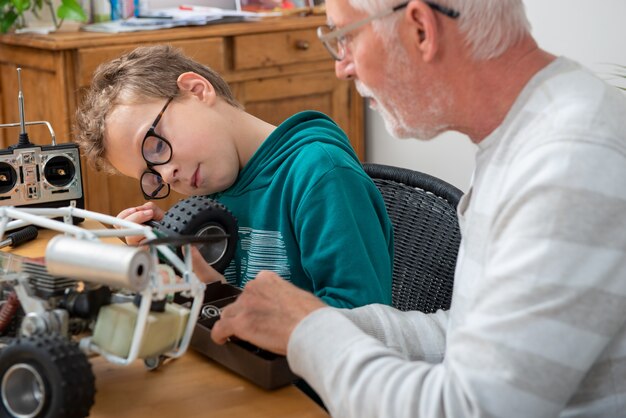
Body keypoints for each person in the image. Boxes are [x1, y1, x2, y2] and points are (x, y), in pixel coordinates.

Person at [209, 0, 626, 417]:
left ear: (421, 29)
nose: (342, 66)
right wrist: (307, 318)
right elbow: (461, 336)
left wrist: (307, 331)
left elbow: (468, 409)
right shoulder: (529, 132)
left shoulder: (569, 162)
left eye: (344, 37)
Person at [74, 45, 393, 309]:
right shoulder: (212, 190)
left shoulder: (320, 175)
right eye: (152, 176)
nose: (168, 174)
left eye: (155, 146)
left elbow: (365, 322)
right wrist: (174, 257)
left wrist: (216, 289)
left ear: (196, 90)